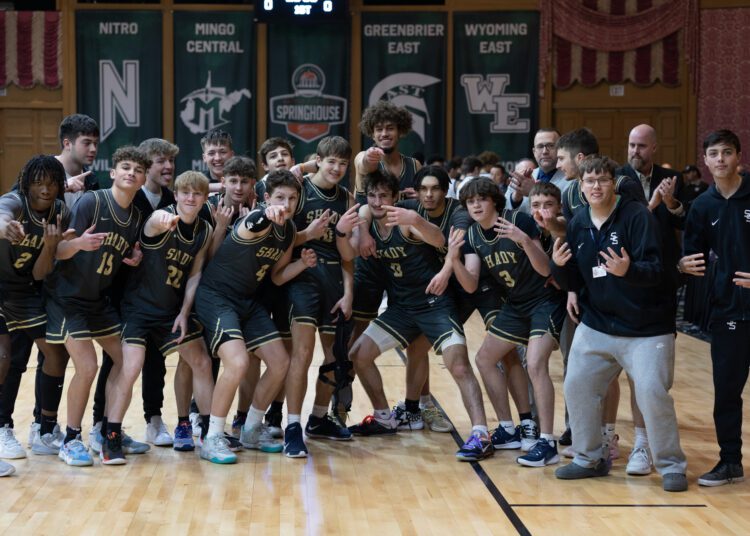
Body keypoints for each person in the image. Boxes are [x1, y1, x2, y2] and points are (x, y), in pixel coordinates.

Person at [552, 155, 687, 492]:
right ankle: (589, 458)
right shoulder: (578, 222)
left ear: (613, 183)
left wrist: (630, 271)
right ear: (581, 187)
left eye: (602, 180)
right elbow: (576, 275)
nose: (596, 186)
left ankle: (671, 465)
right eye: (590, 181)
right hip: (598, 323)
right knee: (577, 385)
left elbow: (659, 271)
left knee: (652, 392)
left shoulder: (638, 216)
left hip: (647, 327)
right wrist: (559, 268)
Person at [347, 170, 493, 462]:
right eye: (372, 196)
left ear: (396, 198)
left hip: (434, 304)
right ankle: (384, 417)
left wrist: (416, 220)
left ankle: (481, 434)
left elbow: (438, 240)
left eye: (384, 196)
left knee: (458, 364)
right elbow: (360, 211)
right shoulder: (366, 219)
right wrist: (361, 229)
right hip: (401, 308)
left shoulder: (406, 220)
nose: (377, 201)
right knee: (358, 354)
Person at [194, 170, 315, 464]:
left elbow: (277, 276)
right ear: (266, 198)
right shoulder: (255, 219)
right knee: (238, 362)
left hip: (247, 301)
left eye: (292, 198)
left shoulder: (288, 231)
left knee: (281, 362)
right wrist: (266, 213)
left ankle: (250, 429)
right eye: (280, 198)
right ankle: (212, 437)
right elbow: (254, 223)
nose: (286, 204)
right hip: (217, 297)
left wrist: (302, 264)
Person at [451, 177, 566, 466]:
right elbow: (471, 284)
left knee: (535, 363)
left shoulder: (519, 221)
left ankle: (547, 442)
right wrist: (453, 260)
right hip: (515, 305)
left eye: (482, 199)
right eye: (470, 201)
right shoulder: (473, 235)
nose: (476, 205)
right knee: (485, 359)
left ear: (494, 201)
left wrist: (523, 240)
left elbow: (545, 270)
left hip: (544, 300)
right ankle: (507, 428)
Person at [45, 146, 147, 467]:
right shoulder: (92, 202)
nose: (131, 173)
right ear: (113, 173)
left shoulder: (135, 217)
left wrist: (134, 257)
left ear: (143, 179)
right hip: (67, 298)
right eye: (125, 167)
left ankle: (106, 429)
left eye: (138, 170)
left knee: (127, 361)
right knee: (87, 366)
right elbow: (58, 250)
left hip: (97, 301)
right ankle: (71, 439)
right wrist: (78, 243)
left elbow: (123, 253)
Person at [103, 171, 214, 463]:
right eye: (185, 192)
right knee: (131, 366)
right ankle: (111, 436)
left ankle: (210, 433)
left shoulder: (204, 230)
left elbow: (195, 274)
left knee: (202, 361)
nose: (191, 198)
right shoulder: (161, 218)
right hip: (138, 309)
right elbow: (152, 225)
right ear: (175, 195)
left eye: (197, 194)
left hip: (170, 312)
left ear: (205, 198)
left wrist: (185, 312)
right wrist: (160, 220)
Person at [90, 138, 180, 451]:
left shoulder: (172, 198)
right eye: (160, 161)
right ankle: (100, 424)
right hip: (120, 290)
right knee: (115, 361)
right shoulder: (127, 196)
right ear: (145, 167)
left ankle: (153, 418)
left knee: (156, 358)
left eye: (171, 161)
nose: (167, 166)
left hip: (156, 291)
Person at [681, 129, 750, 487]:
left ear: (739, 156)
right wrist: (682, 265)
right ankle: (730, 462)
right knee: (726, 392)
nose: (720, 159)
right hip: (727, 311)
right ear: (705, 161)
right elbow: (690, 255)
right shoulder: (702, 206)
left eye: (726, 152)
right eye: (713, 153)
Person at [617, 123, 685, 476]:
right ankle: (613, 438)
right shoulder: (617, 179)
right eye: (632, 145)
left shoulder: (672, 179)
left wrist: (671, 203)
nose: (635, 151)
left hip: (660, 280)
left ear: (654, 147)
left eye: (642, 146)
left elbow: (682, 224)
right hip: (625, 280)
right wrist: (654, 203)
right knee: (617, 372)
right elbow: (623, 225)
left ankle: (649, 442)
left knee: (653, 376)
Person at [283, 136, 357, 458]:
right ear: (319, 160)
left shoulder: (347, 198)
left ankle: (317, 418)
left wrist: (349, 293)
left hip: (335, 281)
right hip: (302, 277)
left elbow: (349, 255)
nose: (337, 168)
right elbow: (282, 240)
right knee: (301, 354)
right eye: (331, 161)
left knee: (334, 357)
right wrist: (308, 235)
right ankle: (292, 426)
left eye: (343, 163)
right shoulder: (298, 190)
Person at [0, 156, 70, 465]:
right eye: (39, 183)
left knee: (56, 353)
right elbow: (1, 214)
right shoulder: (15, 202)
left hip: (25, 290)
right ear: (26, 183)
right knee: (5, 357)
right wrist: (5, 227)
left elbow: (41, 273)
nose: (45, 189)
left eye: (52, 183)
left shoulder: (60, 212)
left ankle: (44, 429)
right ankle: (2, 428)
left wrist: (50, 246)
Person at [354, 100, 421, 204]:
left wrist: (422, 197)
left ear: (400, 132)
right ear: (372, 134)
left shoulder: (415, 165)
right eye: (379, 129)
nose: (384, 133)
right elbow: (364, 164)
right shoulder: (362, 156)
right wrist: (368, 158)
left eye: (390, 128)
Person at [506, 129, 569, 214]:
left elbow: (572, 215)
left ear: (560, 149)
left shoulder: (572, 179)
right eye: (540, 146)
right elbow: (503, 211)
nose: (545, 151)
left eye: (551, 145)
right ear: (534, 152)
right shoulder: (521, 178)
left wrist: (534, 191)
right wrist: (515, 198)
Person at [55, 113, 100, 208]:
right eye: (87, 143)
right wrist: (61, 187)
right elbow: (24, 200)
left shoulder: (91, 180)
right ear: (67, 144)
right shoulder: (43, 170)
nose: (93, 149)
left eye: (95, 143)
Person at [201, 128, 235, 193]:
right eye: (211, 153)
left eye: (223, 152)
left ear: (232, 155)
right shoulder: (196, 181)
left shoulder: (244, 179)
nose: (218, 158)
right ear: (204, 158)